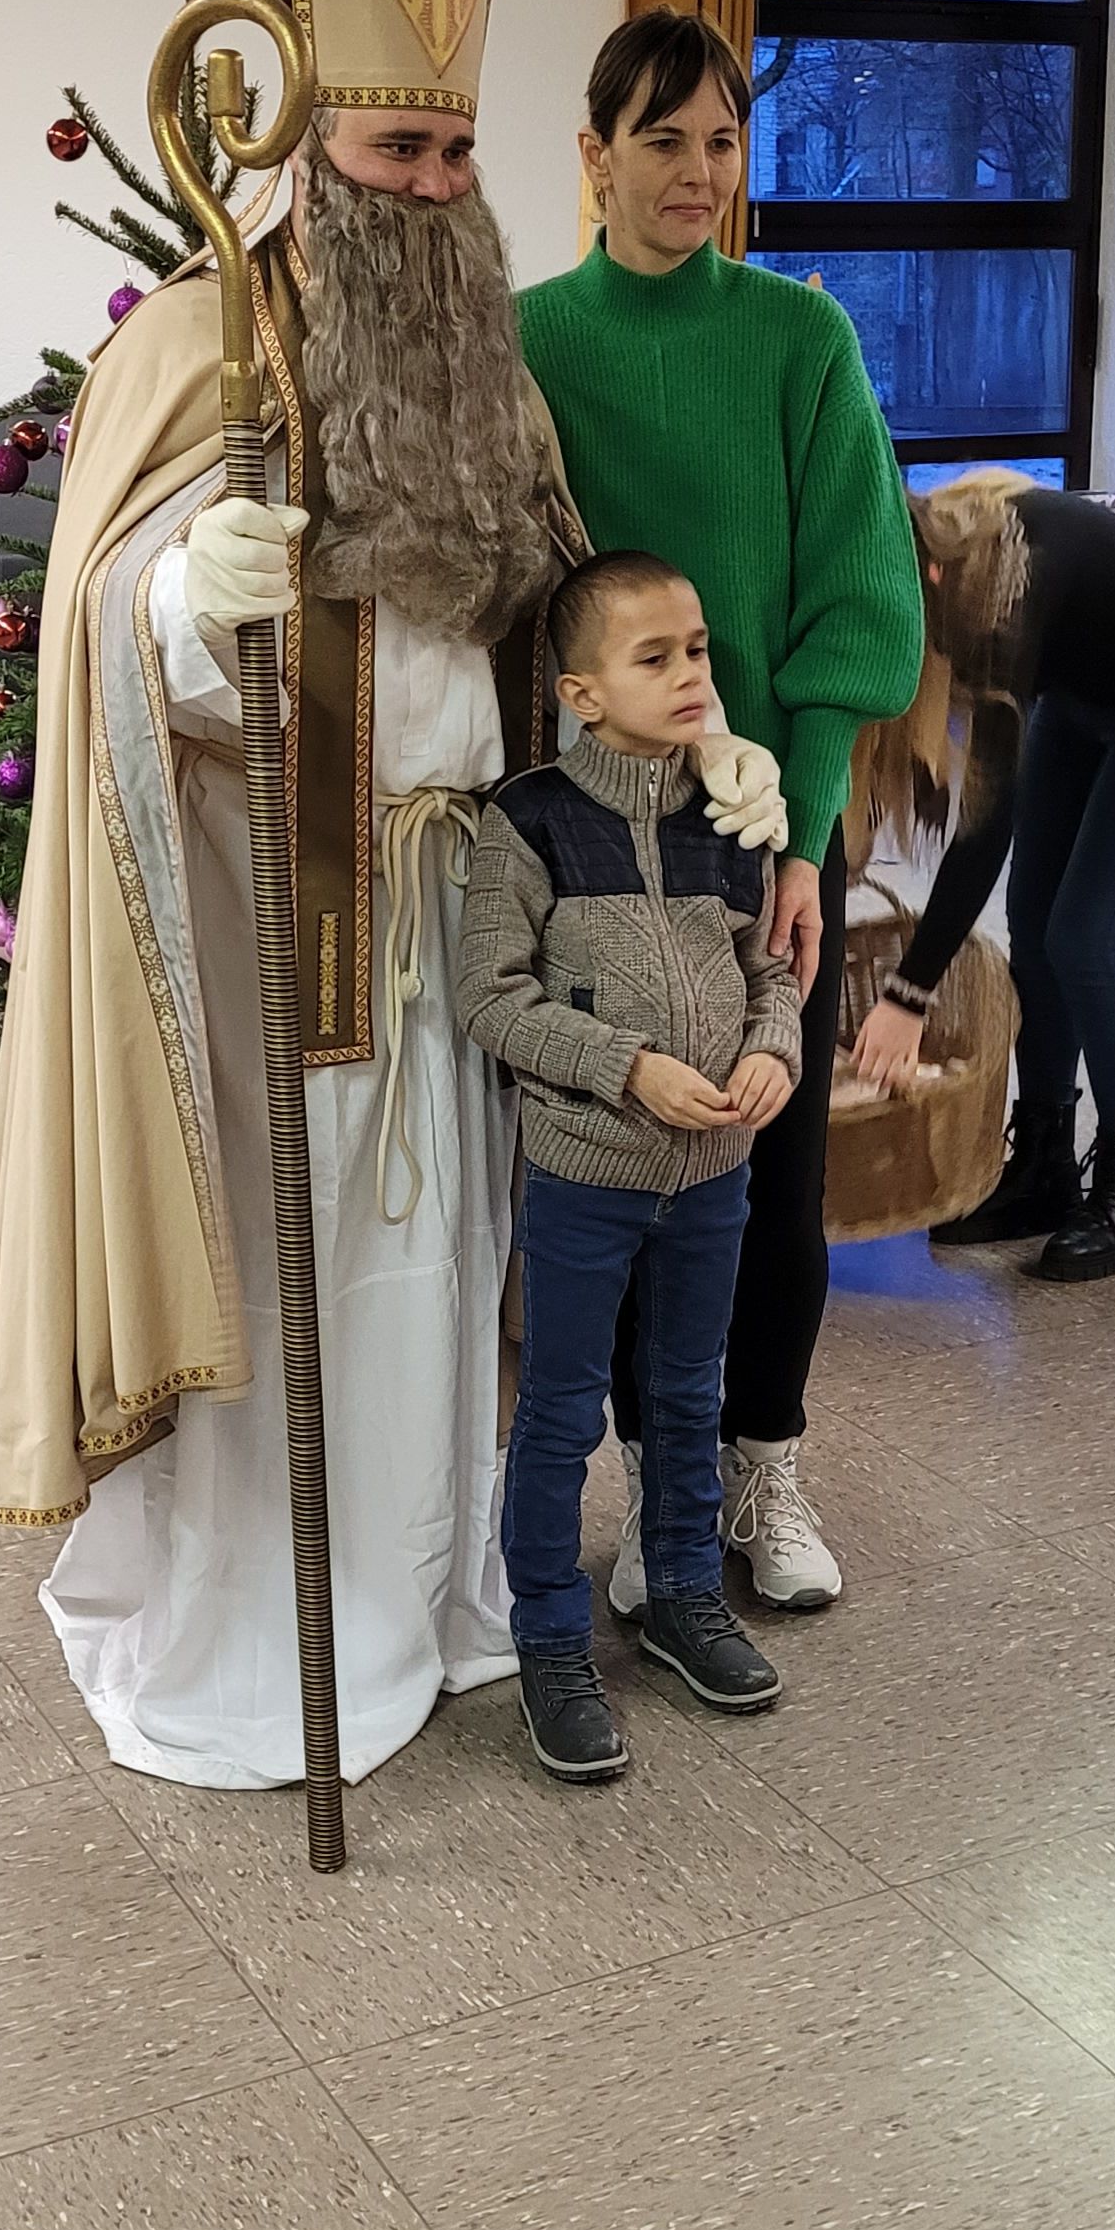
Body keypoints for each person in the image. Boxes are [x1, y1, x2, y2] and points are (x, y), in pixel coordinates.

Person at [0, 0, 784, 1789]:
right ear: (309, 147)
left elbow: (557, 617)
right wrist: (180, 595)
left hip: (466, 915)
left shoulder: (488, 365)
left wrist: (697, 735)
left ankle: (441, 1599)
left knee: (452, 1271)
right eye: (398, 147)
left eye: (454, 149)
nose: (430, 184)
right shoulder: (200, 347)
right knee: (308, 1258)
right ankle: (269, 1626)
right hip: (281, 916)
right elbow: (101, 626)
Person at [517, 9, 924, 1616]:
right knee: (616, 1166)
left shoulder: (798, 340)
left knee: (769, 1161)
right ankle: (660, 1488)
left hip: (756, 828)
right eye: (664, 139)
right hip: (584, 829)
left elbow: (855, 607)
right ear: (595, 153)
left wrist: (808, 840)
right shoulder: (528, 343)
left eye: (722, 141)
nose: (698, 172)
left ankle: (762, 1467)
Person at [458, 552, 800, 1779]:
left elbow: (767, 968)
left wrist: (771, 1051)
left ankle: (681, 1598)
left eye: (696, 649)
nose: (690, 674)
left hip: (714, 1174)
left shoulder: (730, 814)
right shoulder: (530, 820)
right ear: (582, 694)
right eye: (654, 658)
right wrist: (626, 1068)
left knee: (690, 1394)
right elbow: (489, 997)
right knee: (559, 1412)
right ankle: (550, 1638)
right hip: (585, 1174)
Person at [851, 473, 1115, 1279]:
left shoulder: (999, 595)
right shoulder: (939, 557)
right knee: (1032, 930)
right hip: (1078, 695)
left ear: (925, 574)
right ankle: (1044, 1167)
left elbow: (985, 823)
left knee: (1084, 940)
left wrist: (908, 993)